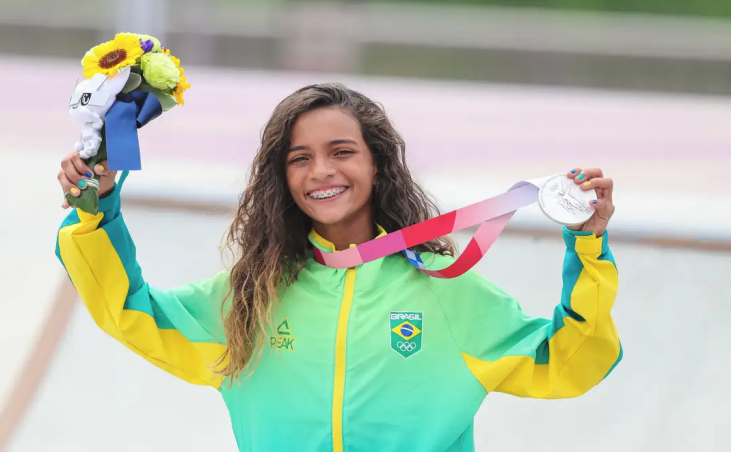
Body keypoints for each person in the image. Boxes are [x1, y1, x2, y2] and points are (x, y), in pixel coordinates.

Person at [55, 83, 621, 452]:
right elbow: (130, 309)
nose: (321, 171)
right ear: (283, 179)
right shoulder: (250, 297)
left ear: (379, 165)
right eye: (300, 158)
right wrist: (96, 208)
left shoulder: (446, 294)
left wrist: (587, 246)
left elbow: (569, 360)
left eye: (342, 151)